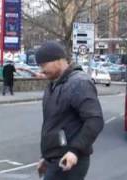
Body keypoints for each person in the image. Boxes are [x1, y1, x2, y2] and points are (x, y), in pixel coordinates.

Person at [35, 41, 104, 180]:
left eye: (44, 65)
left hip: (70, 160)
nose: (41, 70)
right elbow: (54, 124)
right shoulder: (54, 85)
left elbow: (95, 120)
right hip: (56, 159)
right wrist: (46, 157)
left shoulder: (79, 83)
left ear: (59, 60)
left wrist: (75, 151)